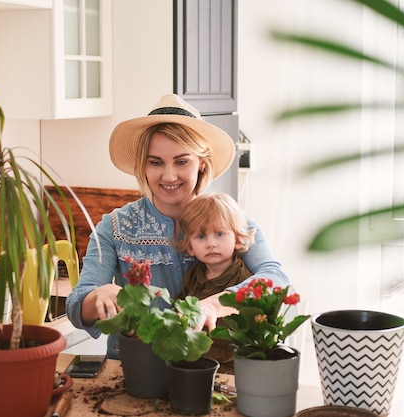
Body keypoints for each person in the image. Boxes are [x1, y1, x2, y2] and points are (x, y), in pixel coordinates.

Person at [65, 93, 290, 358]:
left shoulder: (231, 222)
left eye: (182, 161)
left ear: (201, 164)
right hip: (135, 371)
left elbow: (276, 279)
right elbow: (76, 306)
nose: (169, 175)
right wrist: (96, 297)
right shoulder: (114, 227)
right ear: (143, 166)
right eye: (156, 162)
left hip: (210, 374)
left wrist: (214, 306)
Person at [173, 192, 256, 373]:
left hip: (233, 367)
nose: (211, 243)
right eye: (201, 237)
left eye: (219, 234)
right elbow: (180, 308)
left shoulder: (244, 279)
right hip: (194, 363)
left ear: (238, 239)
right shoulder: (193, 276)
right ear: (190, 247)